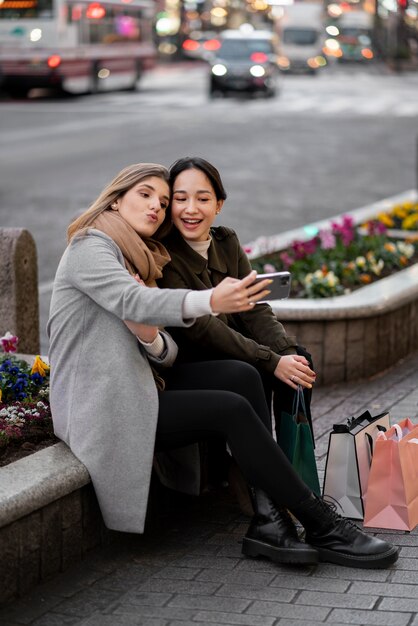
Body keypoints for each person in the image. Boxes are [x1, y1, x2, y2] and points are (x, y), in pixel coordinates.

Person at [47, 162, 398, 570]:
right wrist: (209, 300)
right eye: (146, 196)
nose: (157, 208)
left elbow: (165, 352)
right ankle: (320, 523)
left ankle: (269, 520)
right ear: (116, 197)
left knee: (242, 375)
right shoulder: (92, 247)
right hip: (105, 406)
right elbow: (135, 303)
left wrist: (148, 334)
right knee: (229, 408)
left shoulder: (140, 256)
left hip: (140, 386)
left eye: (162, 201)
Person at [158, 157, 316, 450]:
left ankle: (294, 461)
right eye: (180, 199)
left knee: (299, 361)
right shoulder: (165, 255)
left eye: (203, 199)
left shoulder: (226, 241)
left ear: (218, 205)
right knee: (255, 369)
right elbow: (202, 330)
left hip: (233, 345)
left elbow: (254, 307)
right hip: (193, 356)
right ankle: (265, 473)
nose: (190, 209)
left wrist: (284, 352)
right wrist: (271, 360)